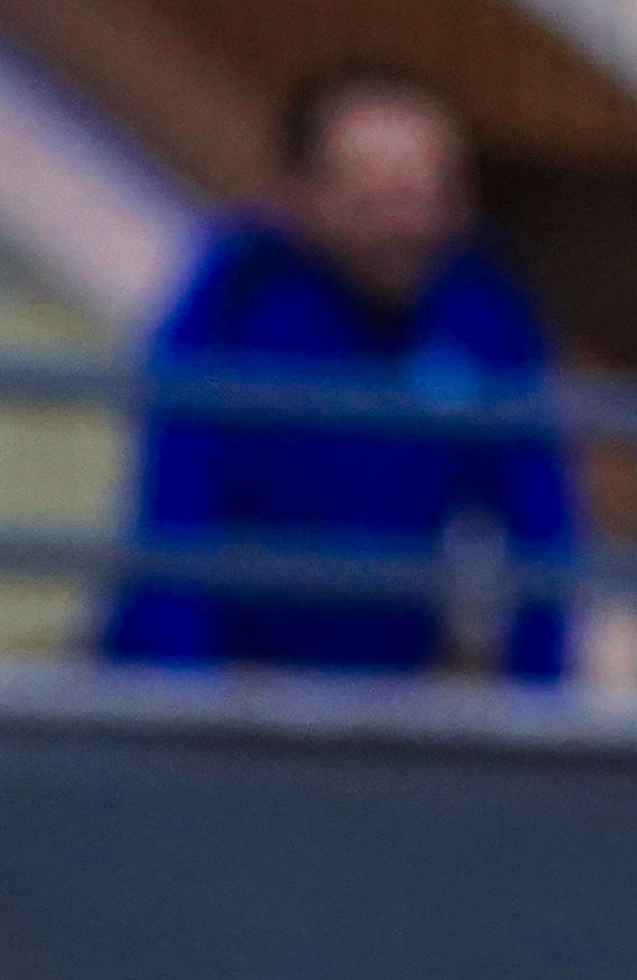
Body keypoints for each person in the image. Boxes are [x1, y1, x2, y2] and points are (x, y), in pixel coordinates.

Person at [104, 66, 578, 681]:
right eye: (374, 198)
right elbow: (175, 510)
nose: (406, 225)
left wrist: (539, 707)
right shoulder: (240, 295)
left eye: (428, 195)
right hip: (226, 679)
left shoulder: (477, 308)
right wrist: (185, 699)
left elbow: (540, 520)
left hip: (377, 692)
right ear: (303, 194)